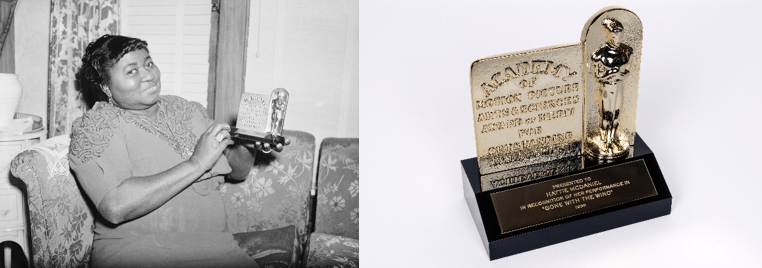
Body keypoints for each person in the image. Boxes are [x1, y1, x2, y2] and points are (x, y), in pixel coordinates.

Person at [69, 34, 291, 268]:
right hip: (138, 254)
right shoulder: (95, 126)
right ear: (106, 87)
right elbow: (114, 207)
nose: (148, 75)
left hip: (219, 251)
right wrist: (196, 163)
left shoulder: (187, 109)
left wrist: (247, 144)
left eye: (148, 63)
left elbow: (236, 171)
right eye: (131, 71)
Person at [590, 17, 633, 157]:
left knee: (616, 114)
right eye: (614, 36)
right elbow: (596, 77)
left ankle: (613, 138)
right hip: (606, 89)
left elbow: (627, 72)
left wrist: (619, 75)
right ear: (607, 35)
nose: (617, 39)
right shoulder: (599, 54)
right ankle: (605, 141)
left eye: (620, 36)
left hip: (619, 86)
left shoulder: (627, 51)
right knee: (607, 115)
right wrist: (610, 74)